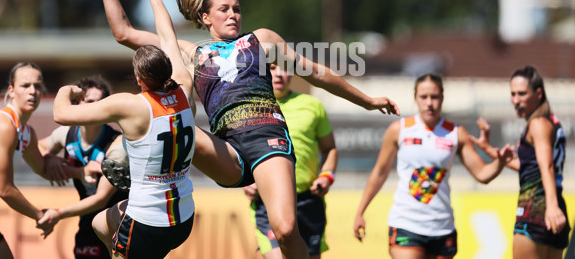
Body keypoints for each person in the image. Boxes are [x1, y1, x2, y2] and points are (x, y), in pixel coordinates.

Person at [81, 0, 399, 259]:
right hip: (227, 150)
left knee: (286, 231)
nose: (233, 14)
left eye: (237, 9)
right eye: (224, 9)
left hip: (266, 139)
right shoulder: (193, 54)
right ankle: (133, 183)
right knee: (172, 122)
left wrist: (368, 101)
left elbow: (316, 73)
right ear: (206, 19)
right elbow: (123, 32)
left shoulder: (261, 42)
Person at [53, 0, 197, 259]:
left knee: (113, 234)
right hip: (183, 216)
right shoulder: (184, 87)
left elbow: (61, 114)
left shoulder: (131, 106)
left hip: (148, 220)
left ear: (140, 79)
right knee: (100, 223)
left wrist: (68, 90)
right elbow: (168, 38)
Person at [353, 73, 515, 259]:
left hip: (442, 227)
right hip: (406, 224)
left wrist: (500, 163)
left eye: (434, 97)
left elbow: (482, 174)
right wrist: (360, 212)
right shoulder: (399, 130)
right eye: (424, 97)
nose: (429, 102)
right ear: (416, 98)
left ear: (442, 98)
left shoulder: (456, 133)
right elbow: (379, 173)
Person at [0, 62, 96, 259]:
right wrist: (40, 216)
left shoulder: (26, 133)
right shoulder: (4, 125)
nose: (33, 91)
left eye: (38, 86)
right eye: (25, 85)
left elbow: (43, 169)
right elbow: (5, 190)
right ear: (11, 91)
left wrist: (81, 172)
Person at [471, 65, 569, 259]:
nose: (516, 101)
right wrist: (488, 149)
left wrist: (550, 206)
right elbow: (529, 166)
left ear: (538, 93)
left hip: (537, 208)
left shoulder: (537, 123)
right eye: (513, 94)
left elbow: (546, 165)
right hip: (555, 206)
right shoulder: (552, 122)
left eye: (522, 94)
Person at [243, 64, 338, 259]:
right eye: (272, 67)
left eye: (285, 68)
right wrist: (245, 180)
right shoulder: (248, 107)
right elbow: (237, 151)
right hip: (268, 201)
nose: (279, 74)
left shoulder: (312, 105)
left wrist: (327, 176)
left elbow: (330, 149)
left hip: (308, 199)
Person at [38, 76, 128, 259]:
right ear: (77, 104)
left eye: (99, 103)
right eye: (89, 102)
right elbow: (38, 147)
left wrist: (58, 213)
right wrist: (50, 158)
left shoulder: (117, 146)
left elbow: (100, 199)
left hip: (117, 222)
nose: (94, 108)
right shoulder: (66, 134)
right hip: (87, 221)